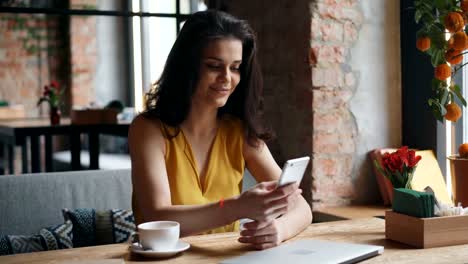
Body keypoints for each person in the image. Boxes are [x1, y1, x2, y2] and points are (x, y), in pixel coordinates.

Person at [129, 10, 312, 250]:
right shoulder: (148, 130)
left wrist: (279, 229)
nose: (227, 78)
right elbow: (158, 217)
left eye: (235, 67)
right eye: (214, 66)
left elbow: (302, 208)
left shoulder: (238, 132)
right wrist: (237, 207)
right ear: (187, 67)